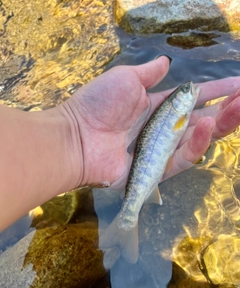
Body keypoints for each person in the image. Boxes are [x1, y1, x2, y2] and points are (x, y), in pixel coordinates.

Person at [1, 55, 240, 232]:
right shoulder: (179, 116)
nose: (191, 91)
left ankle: (127, 221)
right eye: (185, 91)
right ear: (177, 104)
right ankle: (128, 220)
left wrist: (74, 132)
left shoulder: (178, 115)